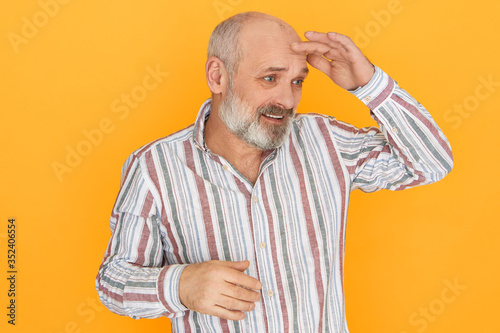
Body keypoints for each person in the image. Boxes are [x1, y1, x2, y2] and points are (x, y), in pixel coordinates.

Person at [95, 11, 453, 333]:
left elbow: (431, 162)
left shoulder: (327, 142)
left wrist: (369, 85)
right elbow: (113, 280)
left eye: (298, 81)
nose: (287, 99)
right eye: (270, 78)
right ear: (218, 76)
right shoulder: (154, 167)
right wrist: (180, 285)